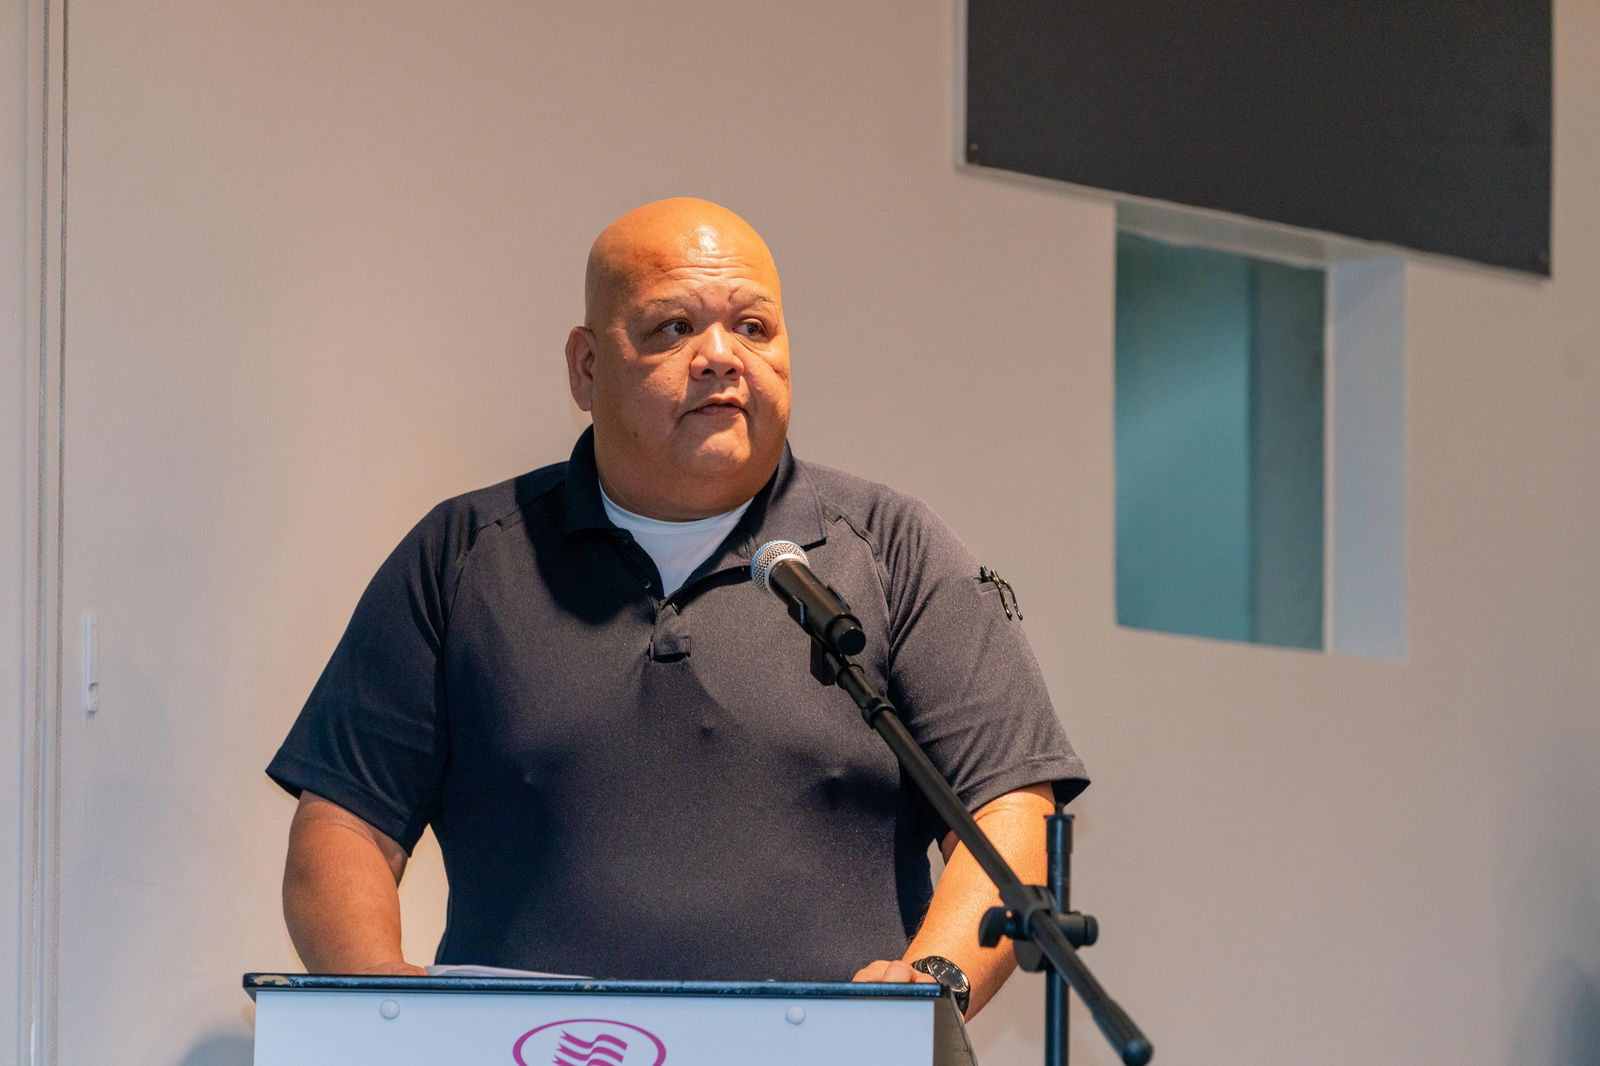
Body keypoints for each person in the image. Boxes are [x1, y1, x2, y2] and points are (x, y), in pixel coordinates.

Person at [268, 197, 1088, 1019]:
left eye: (756, 328)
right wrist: (380, 1003)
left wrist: (933, 985)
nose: (722, 359)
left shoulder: (893, 549)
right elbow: (346, 825)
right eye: (672, 329)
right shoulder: (463, 555)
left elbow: (1007, 807)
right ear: (586, 367)